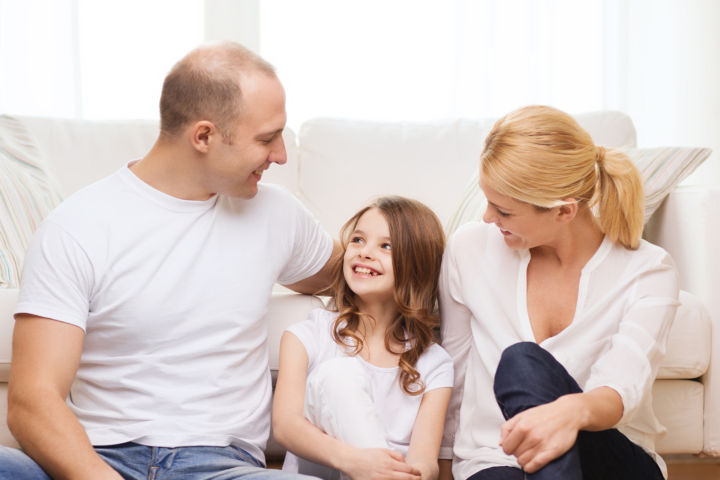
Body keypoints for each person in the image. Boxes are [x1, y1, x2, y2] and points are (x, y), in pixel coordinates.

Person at [0, 42, 339, 479]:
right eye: (266, 138)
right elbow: (32, 400)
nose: (281, 155)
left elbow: (357, 273)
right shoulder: (76, 226)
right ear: (203, 136)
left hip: (220, 468)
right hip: (95, 460)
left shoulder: (276, 214)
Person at [438, 105, 679, 480]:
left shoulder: (647, 270)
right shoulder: (469, 249)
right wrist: (443, 465)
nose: (487, 218)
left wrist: (570, 412)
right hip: (496, 459)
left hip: (607, 459)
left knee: (521, 363)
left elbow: (622, 386)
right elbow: (454, 370)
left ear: (564, 211)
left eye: (503, 211)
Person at [272, 196, 453, 480]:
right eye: (358, 240)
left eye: (386, 246)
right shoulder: (308, 335)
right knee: (337, 374)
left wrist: (406, 473)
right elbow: (286, 426)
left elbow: (426, 461)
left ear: (417, 266)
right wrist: (358, 463)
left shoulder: (435, 362)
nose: (364, 252)